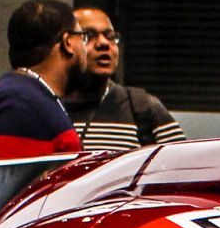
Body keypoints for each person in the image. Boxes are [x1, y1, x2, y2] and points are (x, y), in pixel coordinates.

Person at [0, 0, 86, 161]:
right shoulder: (18, 104)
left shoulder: (31, 97)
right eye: (83, 37)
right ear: (68, 42)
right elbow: (12, 185)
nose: (87, 48)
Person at [64, 8, 186, 156]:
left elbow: (182, 168)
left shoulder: (142, 108)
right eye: (88, 35)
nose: (103, 43)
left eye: (110, 36)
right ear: (66, 44)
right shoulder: (43, 108)